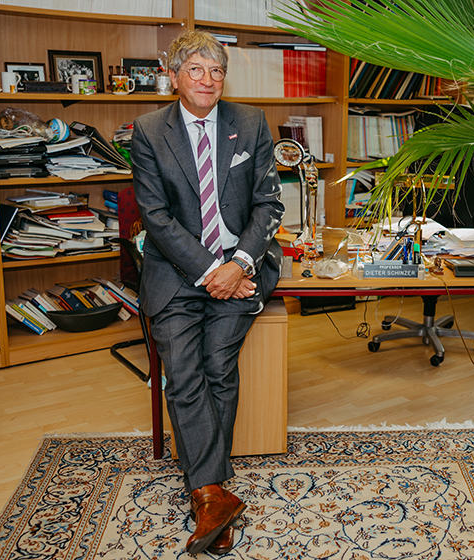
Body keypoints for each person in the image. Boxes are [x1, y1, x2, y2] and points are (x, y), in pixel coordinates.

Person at [131, 30, 285, 555]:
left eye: (216, 70)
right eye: (195, 69)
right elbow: (156, 217)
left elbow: (268, 205)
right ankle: (213, 492)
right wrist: (209, 272)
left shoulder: (250, 122)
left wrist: (238, 263)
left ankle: (207, 495)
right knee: (183, 366)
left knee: (219, 363)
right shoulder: (150, 131)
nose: (208, 80)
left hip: (242, 268)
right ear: (173, 77)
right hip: (177, 272)